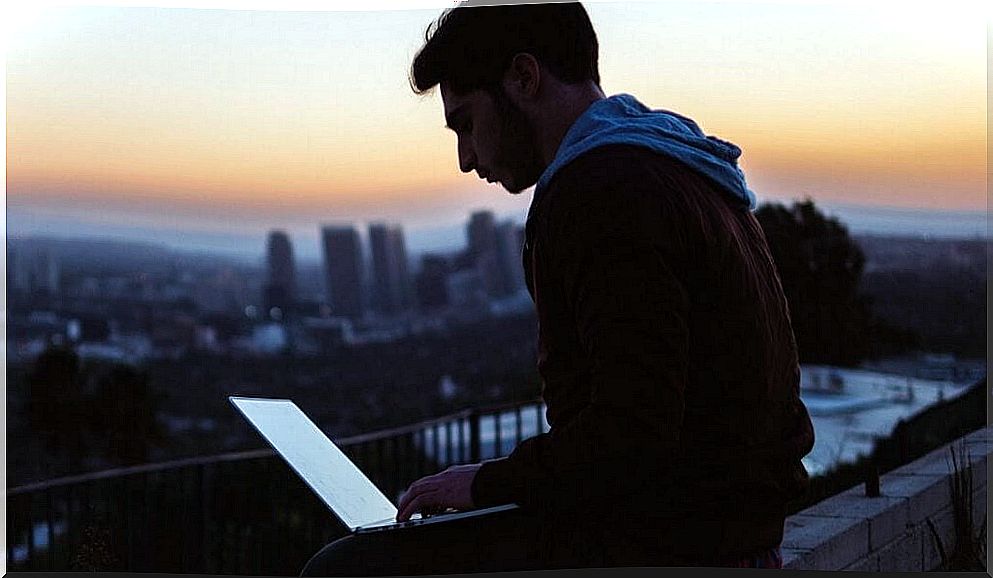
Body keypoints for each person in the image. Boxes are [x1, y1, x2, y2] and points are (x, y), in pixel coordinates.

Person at [301, 2, 814, 575]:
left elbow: (633, 438)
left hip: (673, 537)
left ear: (524, 77)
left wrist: (490, 482)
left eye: (466, 123)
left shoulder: (601, 191)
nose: (466, 159)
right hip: (733, 522)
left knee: (343, 568)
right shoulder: (683, 167)